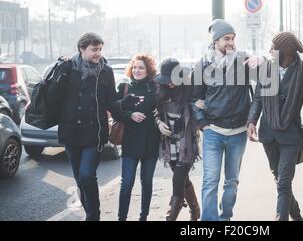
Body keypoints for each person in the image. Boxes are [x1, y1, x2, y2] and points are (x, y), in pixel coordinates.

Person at [191, 19, 260, 221]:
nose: (231, 42)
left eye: (233, 38)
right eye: (226, 39)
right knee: (210, 181)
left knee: (231, 181)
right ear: (215, 42)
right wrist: (203, 124)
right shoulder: (202, 65)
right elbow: (195, 99)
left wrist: (261, 59)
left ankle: (225, 217)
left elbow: (266, 79)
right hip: (213, 131)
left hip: (238, 133)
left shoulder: (243, 61)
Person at [247, 32, 303, 221]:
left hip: (291, 137)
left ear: (285, 52)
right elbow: (257, 100)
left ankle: (281, 217)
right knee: (280, 180)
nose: (270, 51)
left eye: (273, 47)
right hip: (268, 135)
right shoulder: (265, 71)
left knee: (284, 181)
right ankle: (296, 216)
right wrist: (251, 121)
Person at [46, 32, 117, 221]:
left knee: (87, 176)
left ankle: (93, 217)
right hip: (71, 133)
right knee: (80, 180)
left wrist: (131, 113)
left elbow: (112, 102)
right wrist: (61, 72)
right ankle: (91, 214)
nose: (98, 54)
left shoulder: (106, 72)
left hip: (95, 133)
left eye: (100, 49)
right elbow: (52, 97)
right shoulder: (68, 68)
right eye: (94, 49)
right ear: (82, 49)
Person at [111, 54, 160, 221]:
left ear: (148, 70)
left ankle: (143, 216)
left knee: (146, 182)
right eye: (135, 67)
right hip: (130, 142)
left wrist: (159, 113)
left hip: (151, 142)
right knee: (127, 183)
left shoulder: (155, 88)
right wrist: (130, 115)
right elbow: (115, 111)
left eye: (141, 67)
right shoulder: (124, 88)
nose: (137, 70)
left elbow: (164, 107)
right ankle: (122, 217)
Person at [154, 58, 201, 221]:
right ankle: (195, 210)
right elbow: (155, 111)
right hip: (168, 141)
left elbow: (199, 109)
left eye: (172, 80)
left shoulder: (190, 88)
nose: (170, 84)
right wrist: (158, 122)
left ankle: (170, 216)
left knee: (178, 179)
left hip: (186, 140)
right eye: (166, 81)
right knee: (183, 179)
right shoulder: (160, 89)